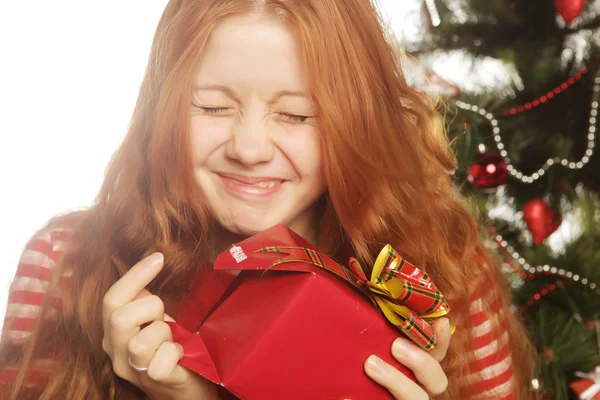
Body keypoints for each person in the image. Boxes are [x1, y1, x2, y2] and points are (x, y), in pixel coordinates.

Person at [0, 0, 538, 399]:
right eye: (211, 107)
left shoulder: (445, 272)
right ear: (160, 113)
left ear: (358, 123)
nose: (250, 149)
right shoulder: (63, 264)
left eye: (297, 115)